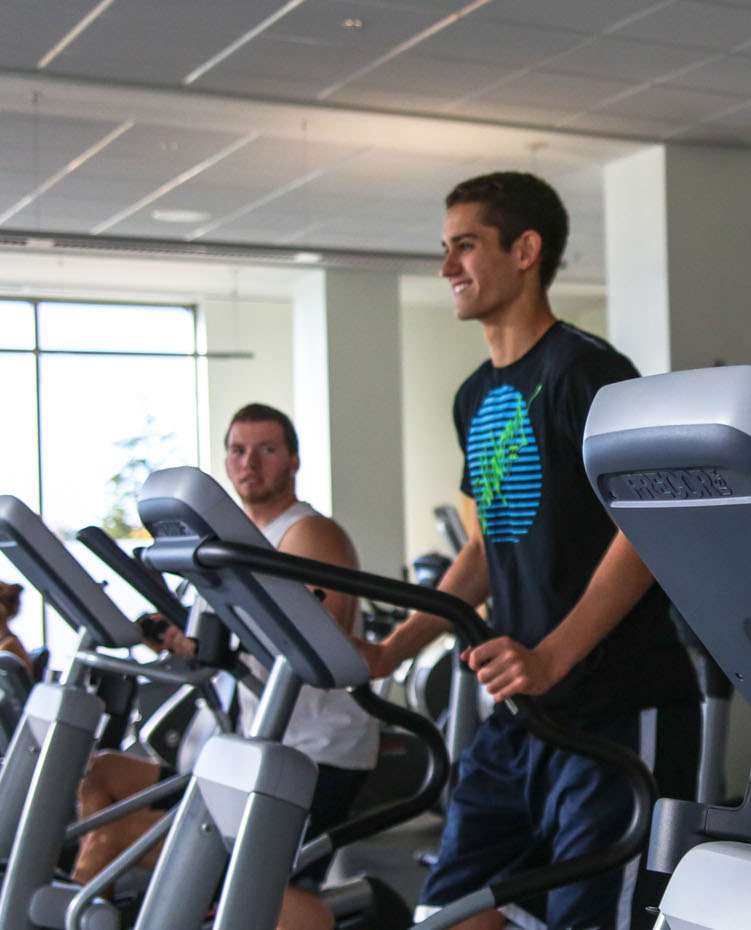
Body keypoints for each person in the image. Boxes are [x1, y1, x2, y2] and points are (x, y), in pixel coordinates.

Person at [355, 171, 699, 930]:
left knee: (592, 919)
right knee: (447, 914)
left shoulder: (588, 373)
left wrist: (553, 656)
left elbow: (647, 529)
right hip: (524, 714)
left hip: (616, 703)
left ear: (525, 250)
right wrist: (395, 650)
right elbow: (484, 548)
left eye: (466, 246)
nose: (447, 267)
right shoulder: (474, 394)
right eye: (445, 249)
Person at [74, 402, 379, 930]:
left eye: (266, 450)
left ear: (294, 461)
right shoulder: (225, 544)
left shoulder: (308, 534)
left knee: (113, 838)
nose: (249, 463)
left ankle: (296, 912)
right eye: (238, 450)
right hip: (240, 745)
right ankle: (202, 900)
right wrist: (178, 640)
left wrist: (206, 645)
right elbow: (219, 644)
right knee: (101, 774)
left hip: (308, 752)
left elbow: (316, 651)